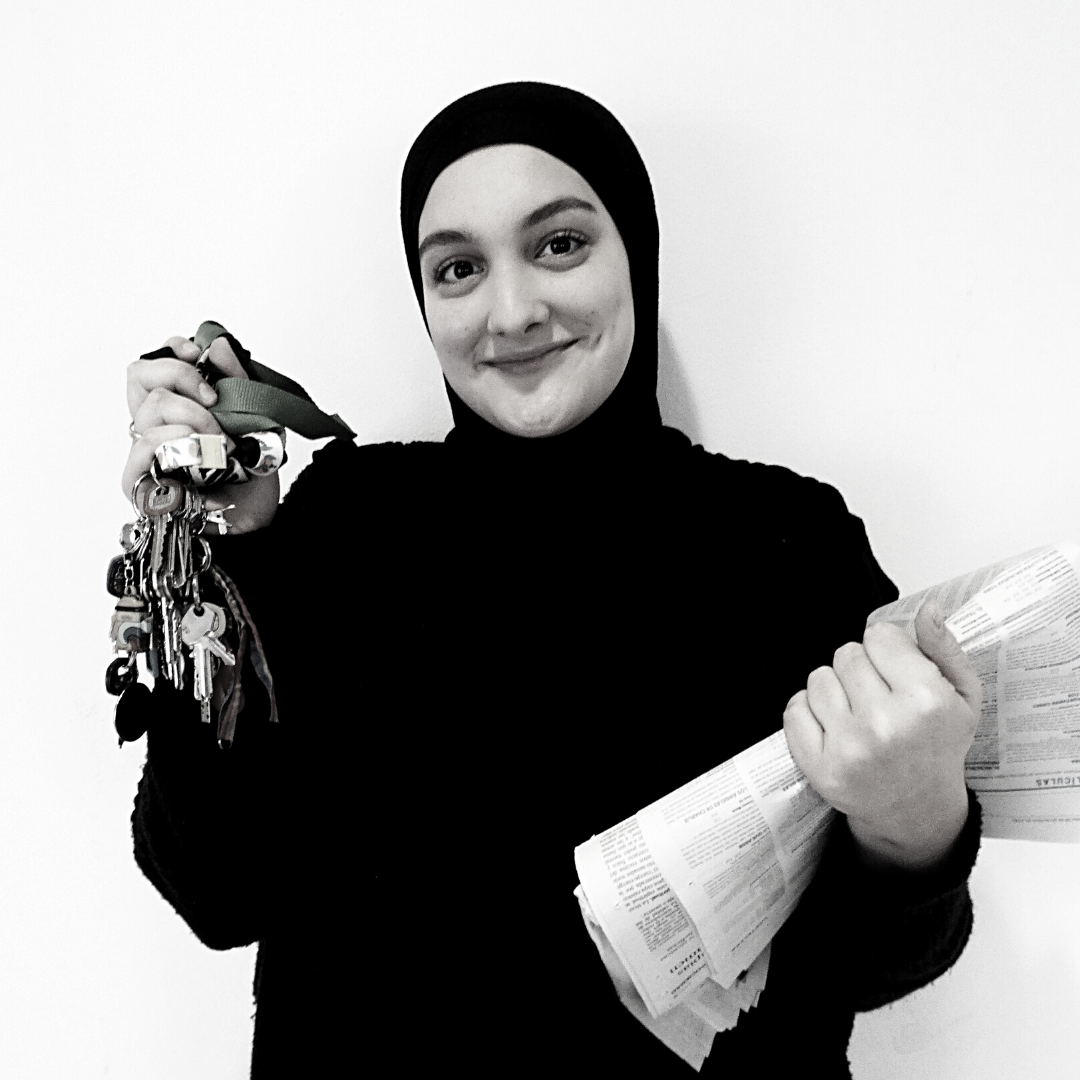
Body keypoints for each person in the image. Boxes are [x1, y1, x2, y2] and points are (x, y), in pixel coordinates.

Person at [121, 83, 983, 1078]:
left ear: (636, 256)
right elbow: (215, 886)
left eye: (560, 244)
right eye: (458, 268)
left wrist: (916, 829)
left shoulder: (789, 544)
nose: (514, 310)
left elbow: (872, 964)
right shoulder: (344, 522)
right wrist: (222, 553)